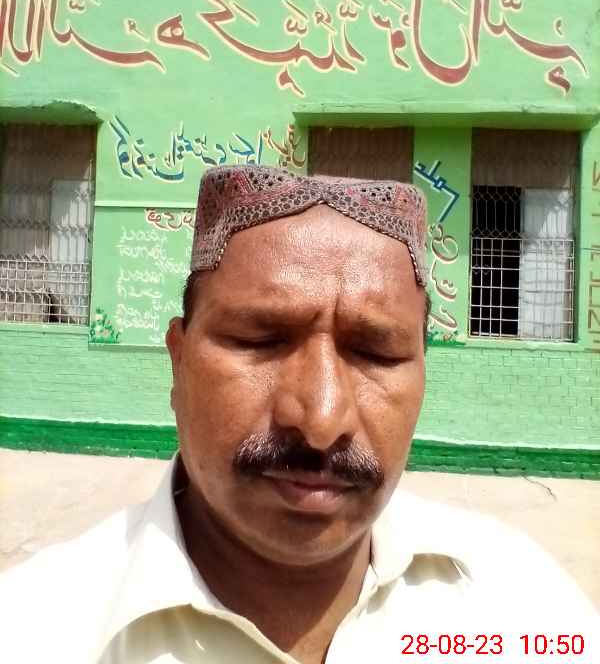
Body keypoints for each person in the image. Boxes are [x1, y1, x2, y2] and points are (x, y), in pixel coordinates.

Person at [1, 165, 598, 664]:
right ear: (179, 363)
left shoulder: (523, 606)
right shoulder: (37, 632)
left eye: (376, 353)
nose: (320, 419)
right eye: (260, 340)